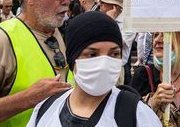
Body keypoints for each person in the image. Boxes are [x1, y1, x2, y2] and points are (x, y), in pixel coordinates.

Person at [28, 11, 161, 126]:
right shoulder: (46, 109)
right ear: (73, 59)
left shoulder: (137, 115)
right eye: (92, 54)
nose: (104, 63)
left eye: (114, 54)